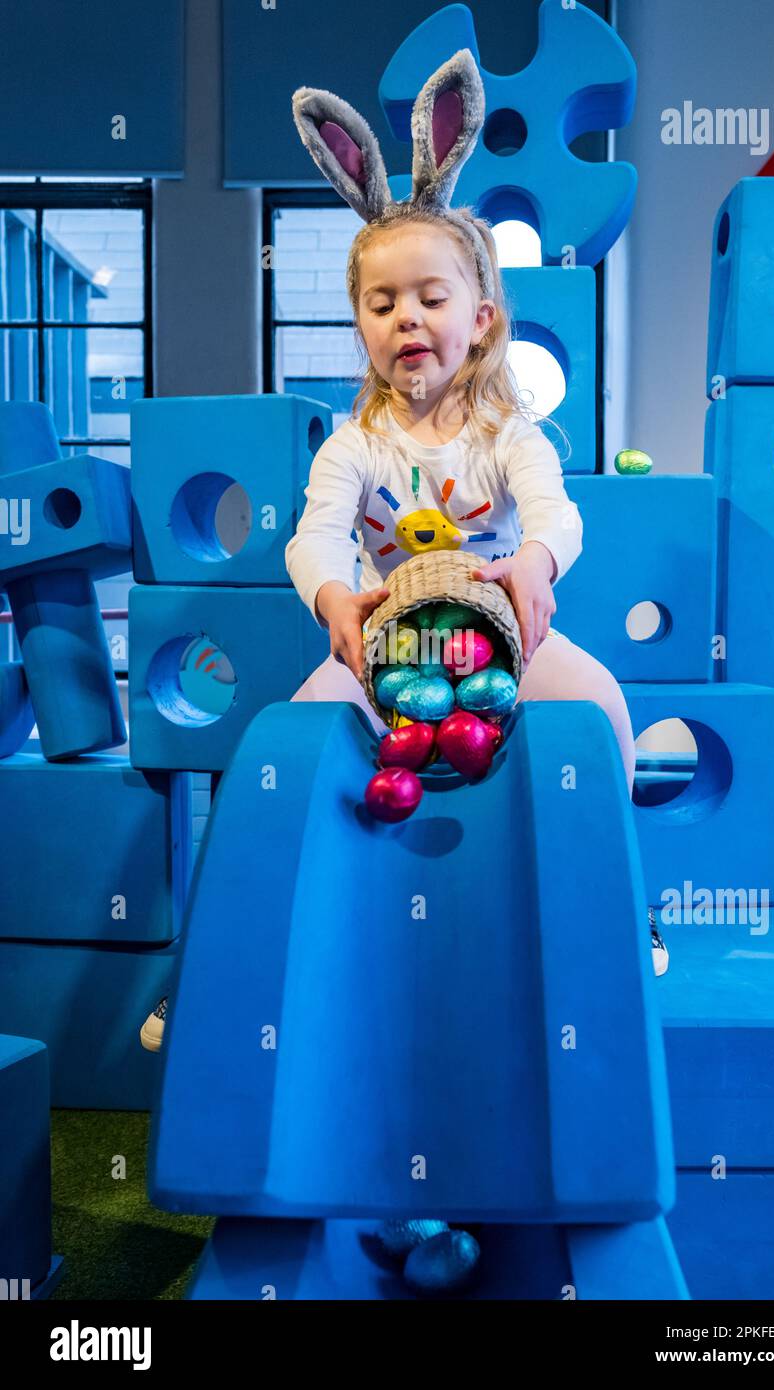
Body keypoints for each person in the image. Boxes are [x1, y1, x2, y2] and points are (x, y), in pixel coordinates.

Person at [139, 49, 666, 1059]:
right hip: (383, 651)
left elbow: (559, 513)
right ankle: (202, 965)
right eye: (382, 305)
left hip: (503, 641)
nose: (406, 318)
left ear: (481, 320)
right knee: (277, 756)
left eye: (430, 296)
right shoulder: (358, 443)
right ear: (362, 329)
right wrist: (338, 599)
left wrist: (535, 568)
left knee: (601, 703)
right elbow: (315, 532)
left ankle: (627, 912)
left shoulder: (508, 438)